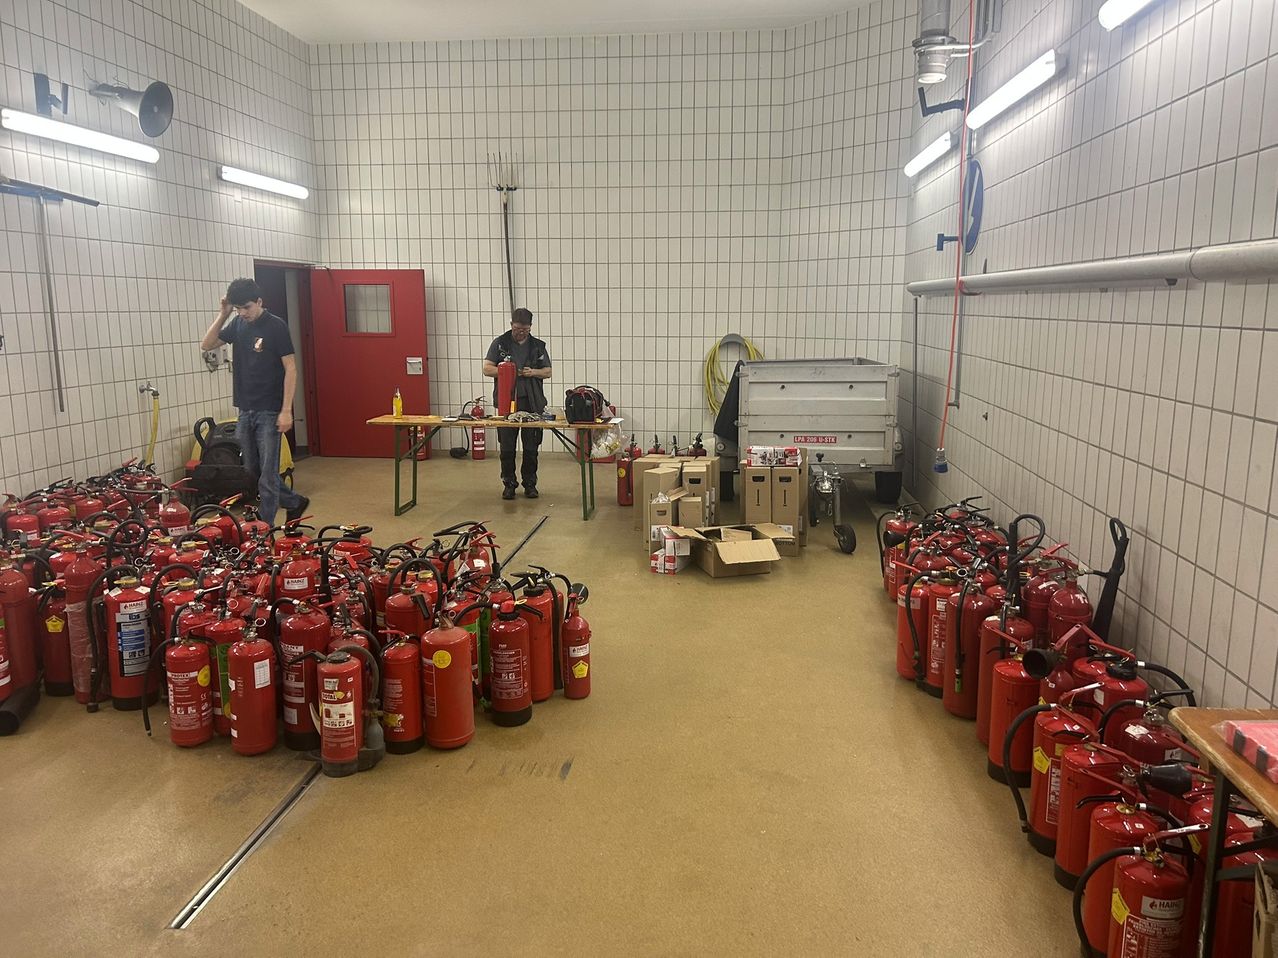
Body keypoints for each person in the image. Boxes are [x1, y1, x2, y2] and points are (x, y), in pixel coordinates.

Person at [200, 278, 308, 525]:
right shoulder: (237, 323)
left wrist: (286, 410)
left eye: (246, 307)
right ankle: (293, 501)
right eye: (238, 308)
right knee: (252, 470)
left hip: (270, 410)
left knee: (268, 476)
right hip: (245, 409)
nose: (243, 313)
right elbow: (206, 344)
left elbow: (290, 368)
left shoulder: (276, 326)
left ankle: (264, 531)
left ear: (259, 302)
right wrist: (223, 314)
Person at [483, 308, 552, 499]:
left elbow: (547, 371)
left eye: (525, 329)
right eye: (517, 328)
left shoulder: (538, 346)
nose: (520, 332)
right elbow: (487, 368)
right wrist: (506, 371)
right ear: (511, 324)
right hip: (507, 402)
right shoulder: (500, 344)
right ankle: (509, 483)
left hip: (532, 402)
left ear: (530, 327)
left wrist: (533, 373)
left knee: (531, 446)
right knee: (507, 446)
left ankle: (530, 484)